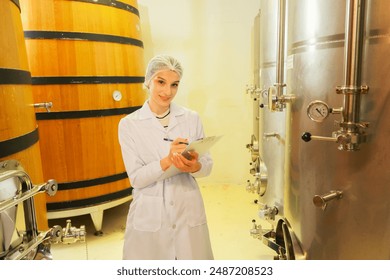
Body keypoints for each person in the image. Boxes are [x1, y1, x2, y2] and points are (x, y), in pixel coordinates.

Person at [118, 54, 214, 260]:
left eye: (174, 84)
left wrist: (194, 166)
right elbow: (136, 179)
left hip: (186, 205)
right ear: (148, 81)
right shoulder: (129, 124)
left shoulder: (191, 118)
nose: (167, 91)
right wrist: (168, 161)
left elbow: (207, 166)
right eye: (161, 82)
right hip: (149, 212)